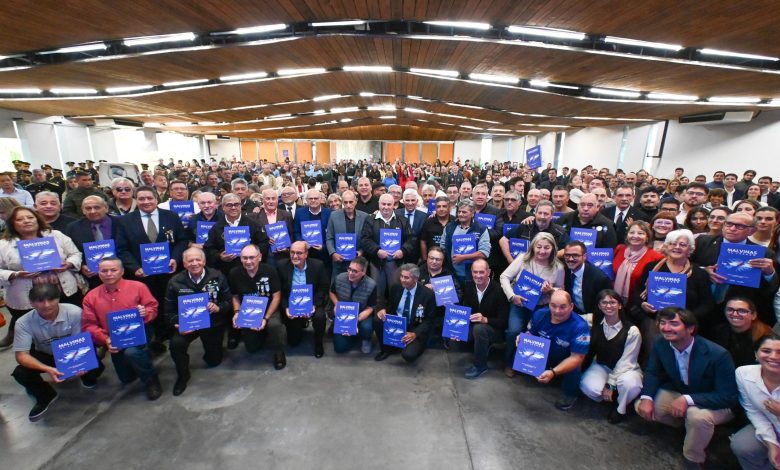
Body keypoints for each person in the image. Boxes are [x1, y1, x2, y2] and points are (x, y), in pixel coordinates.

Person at [635, 307, 738, 468]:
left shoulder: (718, 354)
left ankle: (693, 458)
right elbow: (653, 372)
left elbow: (728, 397)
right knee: (643, 406)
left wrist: (687, 399)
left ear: (690, 329)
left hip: (717, 402)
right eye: (662, 323)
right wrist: (646, 398)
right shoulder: (660, 343)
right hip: (684, 392)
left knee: (697, 417)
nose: (666, 328)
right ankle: (691, 429)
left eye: (674, 323)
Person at [11, 284, 105, 421]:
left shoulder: (74, 312)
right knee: (21, 373)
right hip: (47, 355)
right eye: (40, 301)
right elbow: (21, 355)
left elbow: (81, 342)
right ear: (31, 302)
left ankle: (87, 377)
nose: (46, 305)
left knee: (95, 368)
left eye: (51, 299)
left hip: (73, 352)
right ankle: (46, 396)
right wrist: (47, 369)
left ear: (58, 298)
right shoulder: (23, 322)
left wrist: (79, 364)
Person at [115, 185, 188, 351]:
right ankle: (156, 335)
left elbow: (182, 240)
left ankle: (172, 329)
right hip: (142, 275)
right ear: (136, 200)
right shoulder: (124, 221)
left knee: (169, 300)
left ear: (156, 199)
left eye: (149, 198)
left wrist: (175, 258)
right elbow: (121, 249)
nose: (146, 201)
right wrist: (135, 267)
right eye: (141, 198)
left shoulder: (171, 216)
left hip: (169, 272)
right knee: (148, 305)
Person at [0, 207, 83, 348]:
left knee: (70, 328)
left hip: (64, 292)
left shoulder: (56, 235)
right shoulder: (3, 244)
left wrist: (68, 264)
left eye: (30, 217)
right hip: (24, 298)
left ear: (37, 219)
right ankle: (40, 357)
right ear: (12, 224)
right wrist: (16, 274)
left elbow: (75, 254)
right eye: (20, 219)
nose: (26, 221)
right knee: (35, 336)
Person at [81, 257, 162, 400]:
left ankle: (151, 380)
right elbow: (89, 325)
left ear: (122, 271)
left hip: (140, 332)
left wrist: (145, 313)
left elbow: (153, 307)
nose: (108, 274)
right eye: (104, 271)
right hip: (113, 339)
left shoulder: (139, 287)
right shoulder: (90, 297)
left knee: (132, 352)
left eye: (113, 270)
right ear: (98, 273)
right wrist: (106, 340)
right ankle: (146, 355)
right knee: (126, 379)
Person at [165, 247, 233, 396]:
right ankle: (183, 375)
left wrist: (218, 307)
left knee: (214, 361)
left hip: (213, 323)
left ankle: (214, 350)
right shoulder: (175, 281)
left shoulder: (217, 276)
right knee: (176, 344)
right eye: (190, 261)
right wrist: (178, 324)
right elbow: (168, 312)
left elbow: (229, 301)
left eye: (198, 260)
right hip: (187, 325)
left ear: (204, 261)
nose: (195, 263)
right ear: (184, 263)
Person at [692, 212, 779, 326]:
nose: (732, 228)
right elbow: (685, 266)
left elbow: (770, 290)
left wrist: (769, 274)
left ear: (752, 231)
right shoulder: (702, 242)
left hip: (738, 313)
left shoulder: (764, 253)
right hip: (702, 307)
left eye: (740, 226)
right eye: (729, 224)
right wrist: (703, 271)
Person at [500, 232, 565, 375]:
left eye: (547, 247)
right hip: (519, 304)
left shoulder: (558, 267)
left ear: (553, 249)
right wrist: (512, 296)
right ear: (533, 247)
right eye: (539, 247)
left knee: (536, 335)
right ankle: (509, 363)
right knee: (514, 331)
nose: (542, 251)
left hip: (541, 307)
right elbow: (504, 277)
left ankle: (528, 366)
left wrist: (550, 290)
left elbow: (561, 291)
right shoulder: (523, 259)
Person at [579, 289, 642, 423]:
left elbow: (626, 361)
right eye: (604, 302)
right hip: (602, 366)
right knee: (589, 387)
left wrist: (611, 384)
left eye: (612, 302)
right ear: (599, 306)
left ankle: (621, 408)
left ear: (620, 305)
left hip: (627, 370)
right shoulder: (594, 320)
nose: (608, 306)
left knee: (630, 385)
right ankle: (615, 398)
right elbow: (571, 316)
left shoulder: (632, 331)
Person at [522, 289, 590, 410]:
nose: (557, 311)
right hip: (544, 354)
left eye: (562, 307)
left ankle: (570, 395)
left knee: (576, 365)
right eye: (553, 306)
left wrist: (553, 372)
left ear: (571, 306)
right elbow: (530, 333)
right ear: (549, 304)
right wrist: (523, 338)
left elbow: (577, 358)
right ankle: (535, 371)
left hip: (566, 359)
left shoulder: (580, 326)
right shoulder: (540, 314)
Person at [228, 244, 287, 370]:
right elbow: (235, 296)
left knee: (274, 325)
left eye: (252, 257)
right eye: (244, 258)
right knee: (252, 348)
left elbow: (276, 297)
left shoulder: (270, 270)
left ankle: (279, 352)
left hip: (269, 308)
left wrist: (265, 318)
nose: (248, 261)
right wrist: (237, 312)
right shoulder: (234, 273)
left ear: (259, 257)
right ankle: (262, 334)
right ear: (240, 258)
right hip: (248, 311)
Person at [731, 334, 780, 470]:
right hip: (771, 427)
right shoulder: (743, 374)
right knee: (742, 444)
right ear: (756, 354)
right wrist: (771, 443)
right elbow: (754, 411)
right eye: (766, 351)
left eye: (779, 352)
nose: (773, 356)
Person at [360, 193, 416, 305]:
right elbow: (365, 239)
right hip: (376, 264)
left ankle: (394, 315)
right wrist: (377, 250)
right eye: (383, 204)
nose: (386, 207)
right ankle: (378, 314)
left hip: (396, 263)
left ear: (394, 205)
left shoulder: (403, 220)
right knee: (377, 294)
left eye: (389, 204)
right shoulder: (370, 220)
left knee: (396, 293)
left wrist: (403, 250)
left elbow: (412, 239)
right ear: (378, 204)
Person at [373, 263, 436, 363]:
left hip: (415, 328)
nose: (402, 279)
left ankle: (412, 345)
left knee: (408, 355)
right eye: (401, 276)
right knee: (377, 320)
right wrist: (384, 310)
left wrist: (415, 333)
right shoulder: (396, 288)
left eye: (406, 277)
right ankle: (386, 349)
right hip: (397, 324)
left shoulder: (428, 295)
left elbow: (429, 320)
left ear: (415, 279)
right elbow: (390, 306)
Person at [277, 241, 330, 358]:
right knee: (293, 342)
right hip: (291, 304)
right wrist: (286, 307)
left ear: (306, 254)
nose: (295, 256)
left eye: (299, 253)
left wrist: (314, 305)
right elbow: (279, 291)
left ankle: (318, 342)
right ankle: (301, 322)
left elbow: (323, 288)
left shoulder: (318, 265)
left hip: (312, 302)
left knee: (320, 317)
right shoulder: (281, 266)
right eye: (292, 252)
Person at [460, 259, 509, 379]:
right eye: (475, 272)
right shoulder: (469, 286)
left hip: (495, 330)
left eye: (481, 272)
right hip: (475, 325)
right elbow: (465, 311)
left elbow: (504, 321)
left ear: (489, 272)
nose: (478, 275)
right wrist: (456, 331)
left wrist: (486, 320)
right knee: (455, 339)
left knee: (479, 329)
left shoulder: (499, 290)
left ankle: (480, 366)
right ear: (471, 272)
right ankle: (477, 347)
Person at [330, 256, 377, 354]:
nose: (350, 273)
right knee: (340, 348)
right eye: (349, 269)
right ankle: (354, 335)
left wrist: (354, 321)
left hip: (361, 314)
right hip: (343, 314)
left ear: (363, 272)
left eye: (355, 271)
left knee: (367, 327)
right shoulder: (339, 277)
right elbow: (332, 292)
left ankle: (366, 338)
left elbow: (371, 307)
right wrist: (336, 304)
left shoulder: (371, 284)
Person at [499, 200, 568, 265]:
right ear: (535, 213)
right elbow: (503, 240)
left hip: (548, 268)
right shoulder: (525, 225)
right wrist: (511, 260)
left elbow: (568, 248)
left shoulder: (559, 231)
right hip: (524, 267)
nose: (542, 216)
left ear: (551, 216)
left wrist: (549, 255)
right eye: (540, 213)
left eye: (546, 214)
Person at [711, 297, 772, 367]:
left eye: (742, 311)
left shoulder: (766, 337)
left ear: (753, 315)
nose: (734, 314)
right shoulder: (719, 331)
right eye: (730, 309)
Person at [440, 199, 490, 284]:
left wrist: (463, 257)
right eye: (459, 212)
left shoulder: (481, 229)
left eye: (464, 212)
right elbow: (442, 247)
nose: (460, 214)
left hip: (472, 275)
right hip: (451, 273)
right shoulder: (449, 227)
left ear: (472, 213)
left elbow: (484, 253)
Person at [613, 221, 664, 302]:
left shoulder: (656, 257)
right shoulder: (619, 249)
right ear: (627, 235)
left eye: (640, 233)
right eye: (632, 232)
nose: (635, 236)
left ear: (647, 237)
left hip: (639, 302)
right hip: (615, 300)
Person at [561, 240, 613, 317]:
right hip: (572, 313)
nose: (570, 259)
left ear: (584, 257)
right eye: (567, 255)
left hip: (593, 317)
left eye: (575, 255)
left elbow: (607, 306)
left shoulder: (600, 279)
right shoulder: (564, 270)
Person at [325, 190, 367, 279]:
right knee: (337, 285)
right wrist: (333, 253)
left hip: (358, 261)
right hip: (339, 261)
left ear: (356, 201)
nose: (348, 205)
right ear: (342, 203)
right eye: (345, 202)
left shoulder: (364, 216)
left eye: (351, 202)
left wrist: (362, 251)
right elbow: (329, 238)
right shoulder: (334, 216)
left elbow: (367, 238)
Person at [420, 196, 452, 262]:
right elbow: (423, 241)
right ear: (435, 208)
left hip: (450, 260)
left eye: (444, 206)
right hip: (432, 260)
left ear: (449, 208)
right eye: (438, 206)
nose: (441, 209)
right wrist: (425, 260)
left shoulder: (455, 222)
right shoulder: (428, 222)